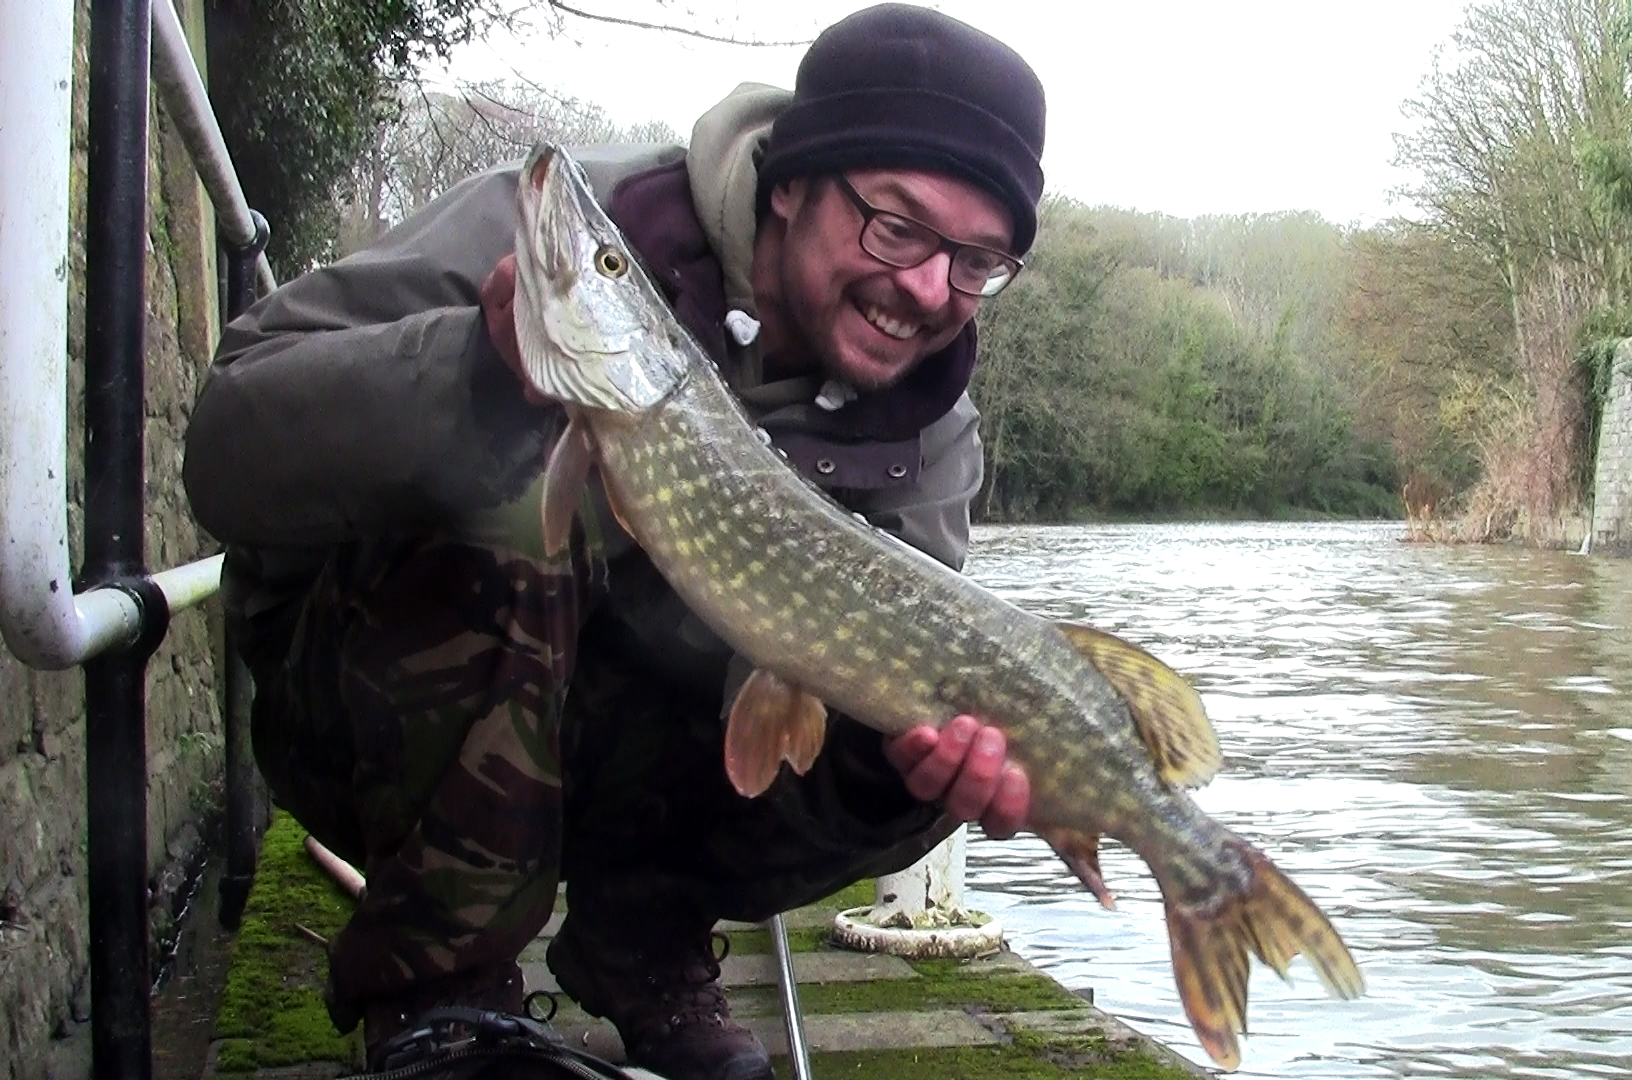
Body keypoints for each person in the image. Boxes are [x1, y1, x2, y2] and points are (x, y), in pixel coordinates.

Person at [181, 6, 1046, 1080]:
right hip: (353, 713)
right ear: (790, 182)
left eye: (977, 262)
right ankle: (442, 986)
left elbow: (802, 717)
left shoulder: (929, 426)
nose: (926, 290)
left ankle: (641, 936)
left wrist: (908, 768)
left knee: (904, 754)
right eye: (896, 226)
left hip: (628, 745)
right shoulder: (559, 235)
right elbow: (224, 446)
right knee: (507, 484)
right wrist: (472, 371)